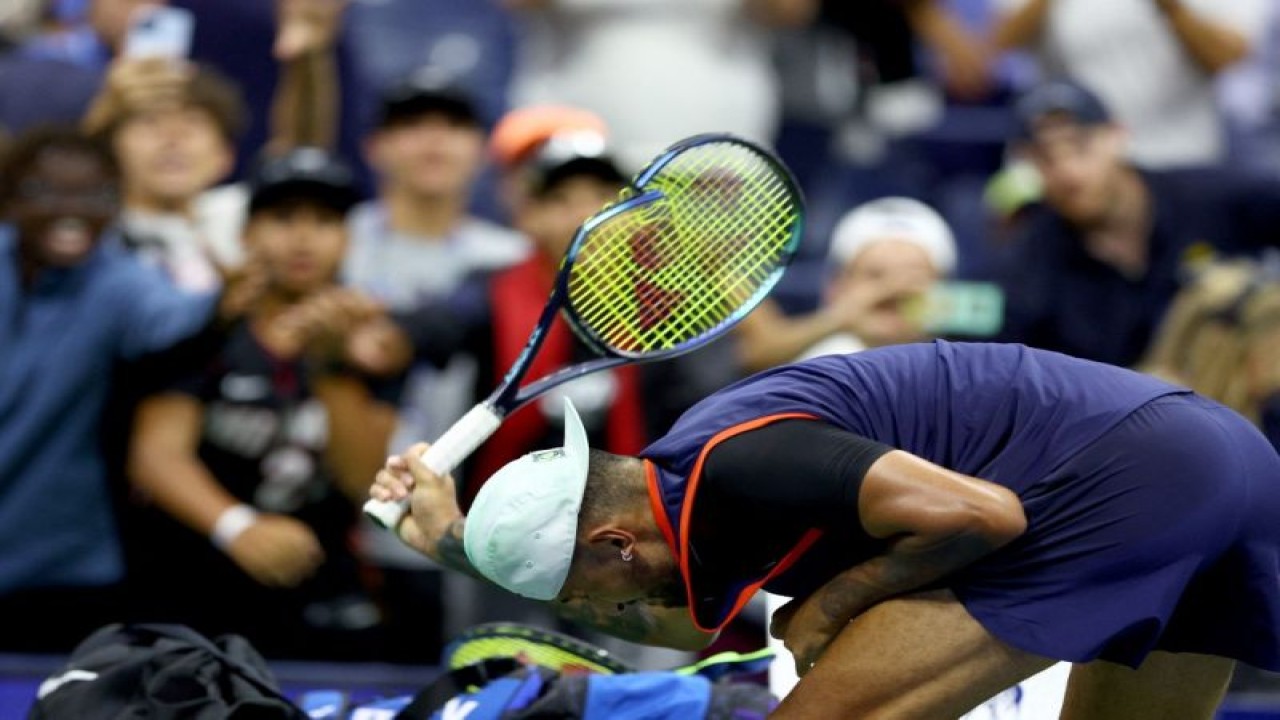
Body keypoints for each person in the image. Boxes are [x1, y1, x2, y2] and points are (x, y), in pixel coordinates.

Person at [372, 340, 1280, 718]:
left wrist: (833, 604)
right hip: (1231, 461)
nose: (600, 614)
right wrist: (449, 537)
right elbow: (678, 621)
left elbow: (986, 514)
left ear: (616, 545)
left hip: (1127, 477)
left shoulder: (744, 462)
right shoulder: (681, 494)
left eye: (587, 599)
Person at [127, 148, 403, 660]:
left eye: (324, 221)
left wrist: (329, 369)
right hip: (193, 587)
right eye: (282, 219)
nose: (302, 238)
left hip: (319, 595)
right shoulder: (207, 327)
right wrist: (237, 525)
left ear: (347, 239)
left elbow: (363, 479)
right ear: (246, 234)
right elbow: (156, 454)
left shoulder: (373, 344)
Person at [0, 126, 253, 651]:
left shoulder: (119, 282)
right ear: (11, 199)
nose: (73, 209)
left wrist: (230, 300)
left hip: (61, 568)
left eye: (96, 195)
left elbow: (182, 320)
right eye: (47, 192)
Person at [343, 72, 526, 663]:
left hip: (456, 523)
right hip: (338, 512)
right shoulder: (334, 242)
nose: (433, 142)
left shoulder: (512, 261)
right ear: (374, 147)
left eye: (453, 127)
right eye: (411, 125)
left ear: (480, 151)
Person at [992, 79, 1280, 367]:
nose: (1068, 171)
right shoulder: (1028, 264)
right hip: (1118, 406)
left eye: (1080, 145)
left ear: (1117, 136)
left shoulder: (1207, 198)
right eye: (1045, 157)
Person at [991, 0, 1269, 168]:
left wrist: (1170, 7)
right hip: (1069, 166)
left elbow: (1229, 58)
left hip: (1179, 160)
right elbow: (1001, 41)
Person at [736, 196, 958, 372]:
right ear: (836, 288)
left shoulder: (962, 375)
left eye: (914, 276)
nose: (895, 292)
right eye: (875, 276)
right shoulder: (812, 373)